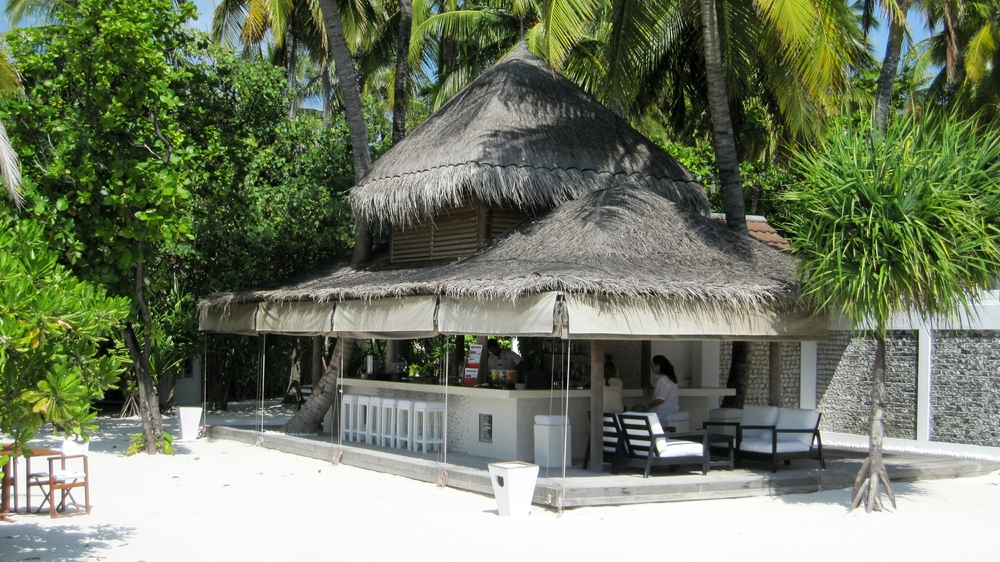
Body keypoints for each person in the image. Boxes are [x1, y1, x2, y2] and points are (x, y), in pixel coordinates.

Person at [632, 355, 679, 425]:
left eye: (652, 364)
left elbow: (660, 400)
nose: (651, 367)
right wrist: (647, 387)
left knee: (636, 409)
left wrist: (647, 407)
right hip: (673, 408)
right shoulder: (669, 378)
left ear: (658, 366)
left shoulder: (662, 380)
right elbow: (653, 384)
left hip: (663, 410)